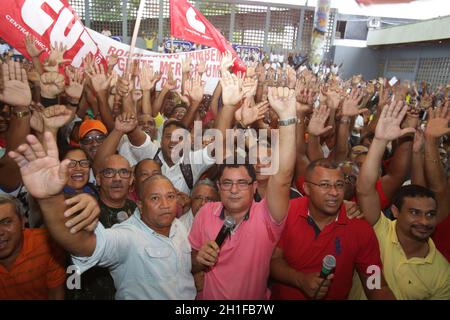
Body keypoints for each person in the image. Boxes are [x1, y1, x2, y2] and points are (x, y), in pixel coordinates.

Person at [9, 132, 196, 299]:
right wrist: (50, 199)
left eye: (170, 196)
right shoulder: (125, 232)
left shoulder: (178, 226)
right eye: (155, 198)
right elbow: (85, 244)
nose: (164, 204)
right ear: (141, 203)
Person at [189, 87, 297, 300]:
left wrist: (287, 118)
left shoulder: (266, 217)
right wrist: (198, 260)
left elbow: (283, 177)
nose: (234, 189)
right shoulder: (205, 213)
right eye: (227, 183)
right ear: (218, 188)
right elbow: (192, 263)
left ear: (254, 187)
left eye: (242, 183)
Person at [354, 101, 450, 299]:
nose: (424, 221)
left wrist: (429, 143)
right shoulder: (378, 232)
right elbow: (365, 190)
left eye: (430, 214)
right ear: (395, 212)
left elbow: (439, 190)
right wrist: (379, 141)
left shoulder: (442, 272)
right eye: (414, 213)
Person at [269, 158, 395, 300]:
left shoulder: (360, 229)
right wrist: (300, 280)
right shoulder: (286, 212)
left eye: (339, 185)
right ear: (307, 188)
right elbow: (273, 261)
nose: (334, 192)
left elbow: (376, 283)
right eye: (324, 185)